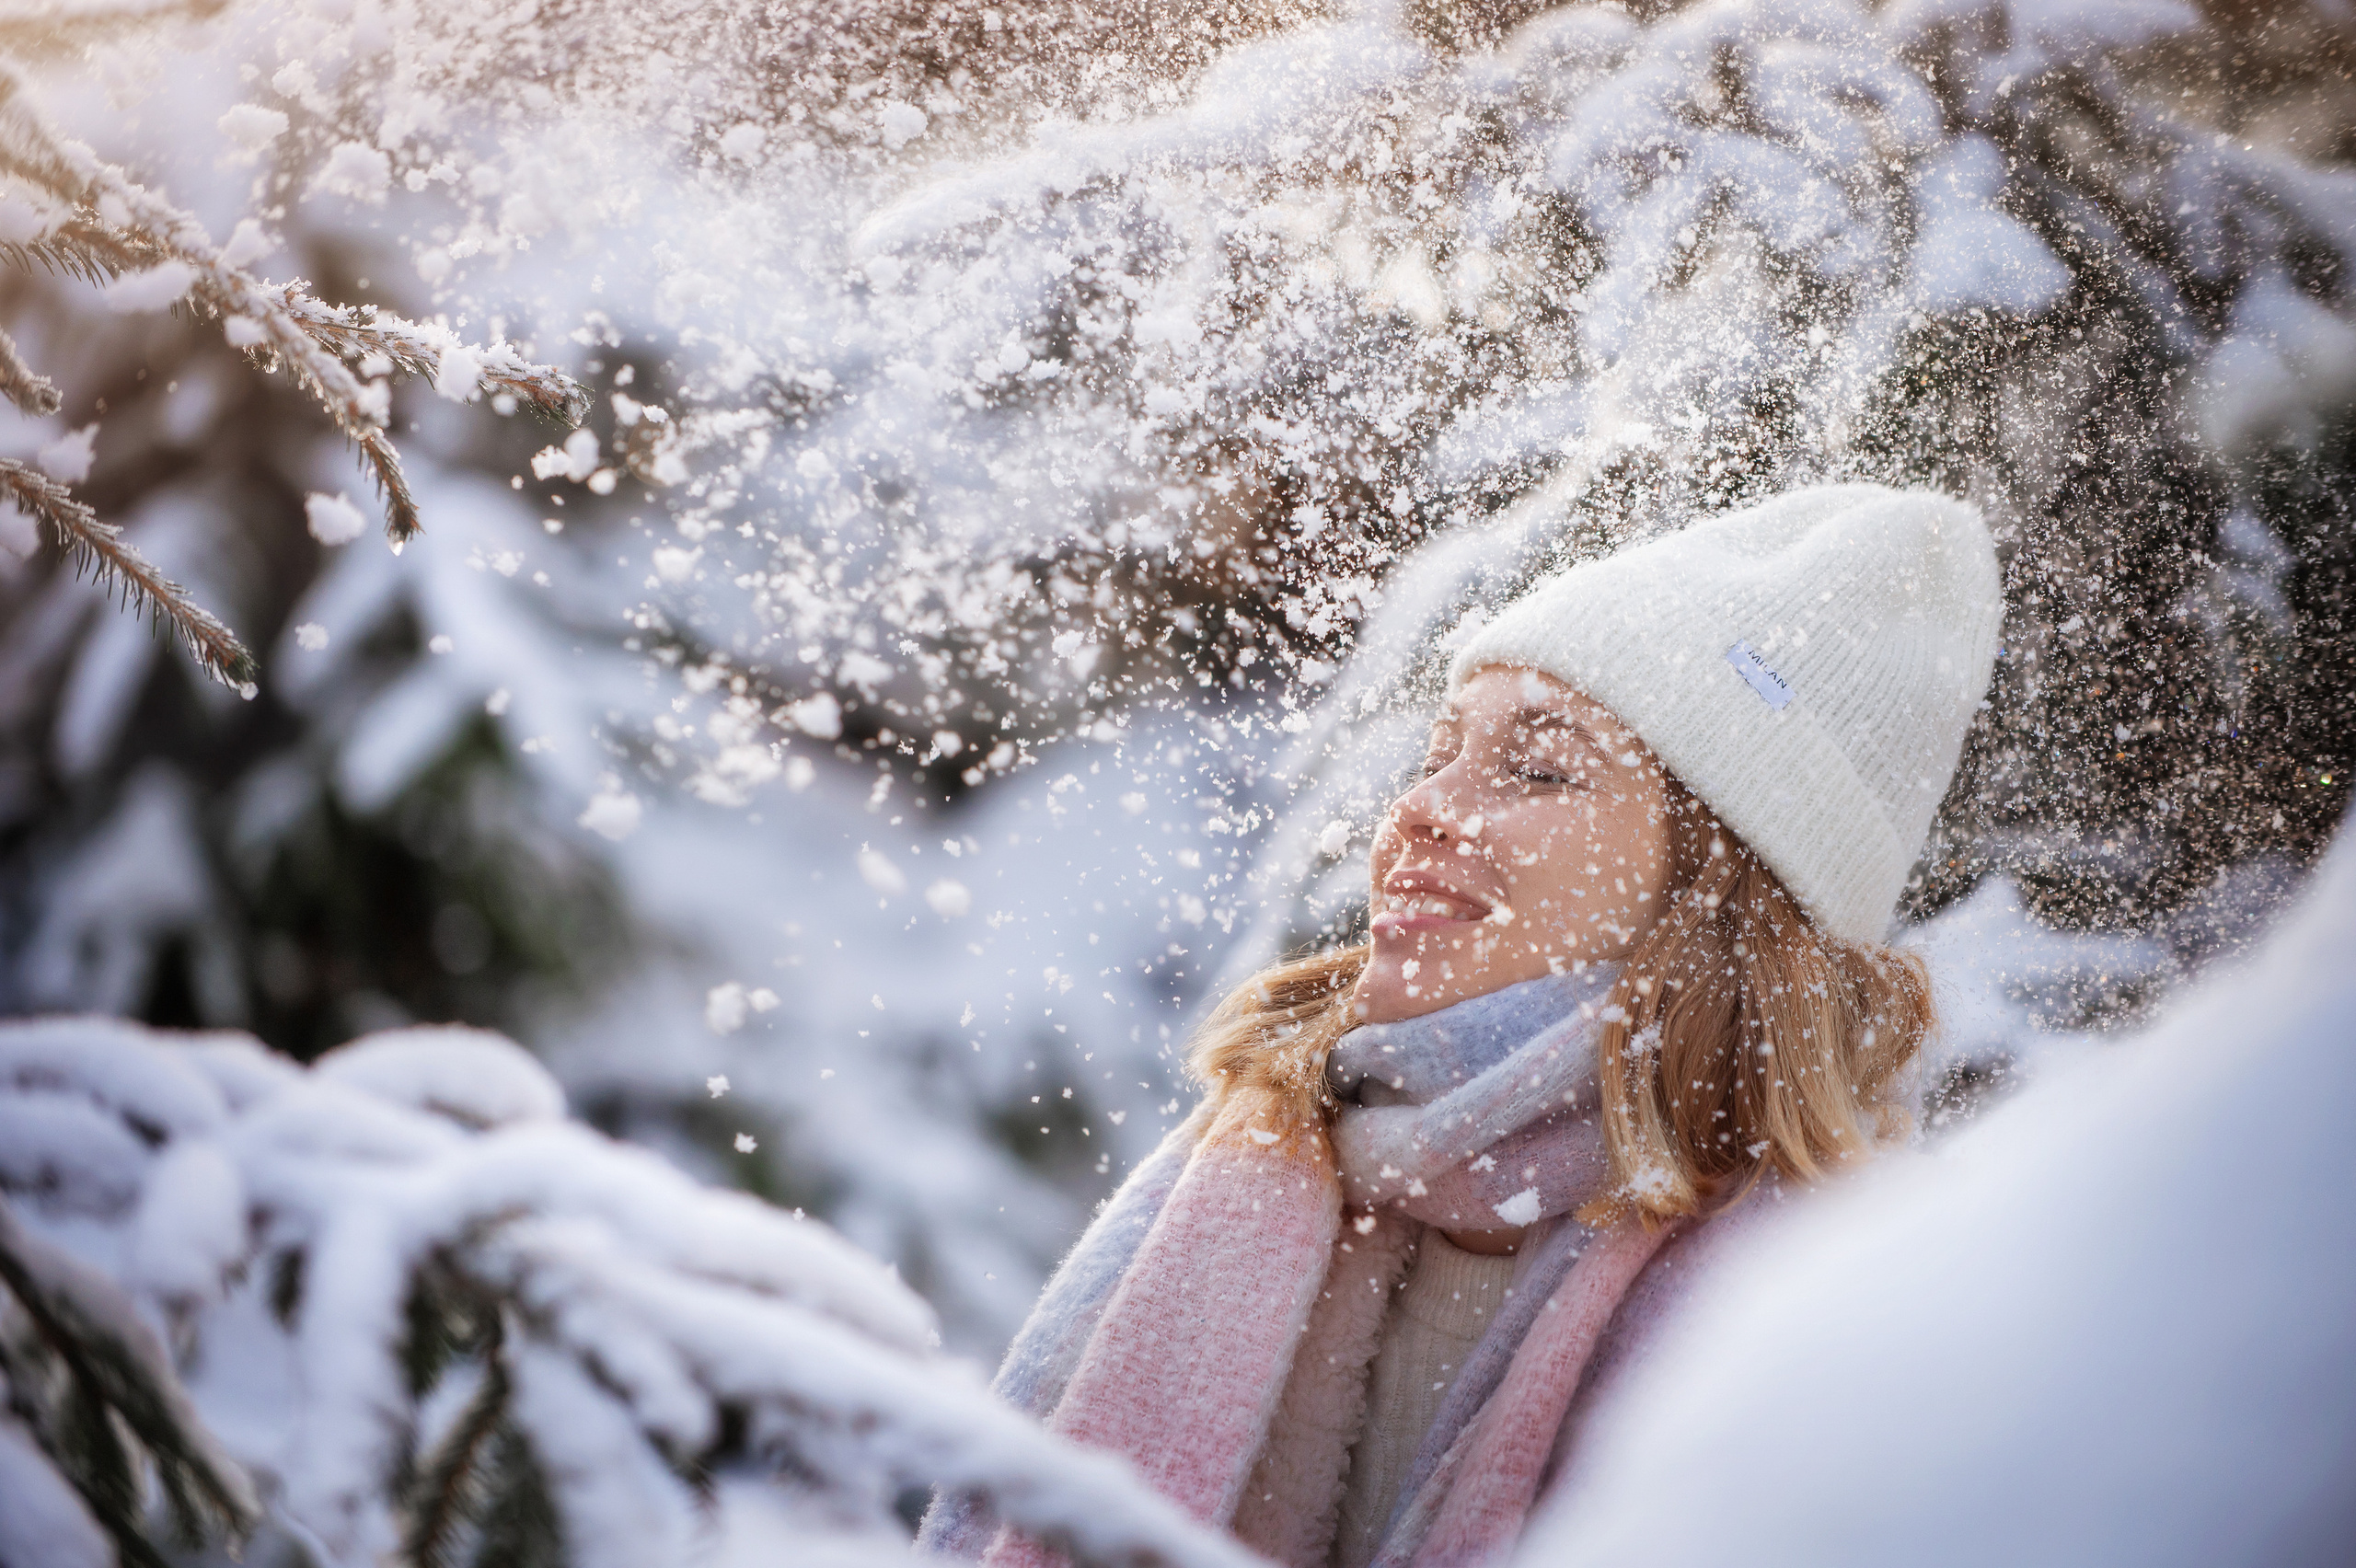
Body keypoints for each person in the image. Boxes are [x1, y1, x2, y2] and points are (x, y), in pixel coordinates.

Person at [919, 483, 2004, 1568]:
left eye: (1536, 767)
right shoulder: (1270, 1154)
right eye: (1438, 754)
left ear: (1721, 892)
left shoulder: (1833, 1318)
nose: (1420, 810)